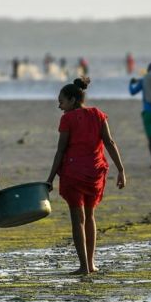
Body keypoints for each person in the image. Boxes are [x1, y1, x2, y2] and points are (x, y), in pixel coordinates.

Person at [46, 77, 126, 275]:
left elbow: (60, 151)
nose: (59, 106)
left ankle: (83, 266)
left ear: (73, 100)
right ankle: (91, 264)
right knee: (90, 216)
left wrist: (50, 178)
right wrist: (121, 169)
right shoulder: (98, 114)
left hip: (74, 174)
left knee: (78, 220)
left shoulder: (67, 119)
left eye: (61, 101)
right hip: (95, 173)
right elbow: (110, 142)